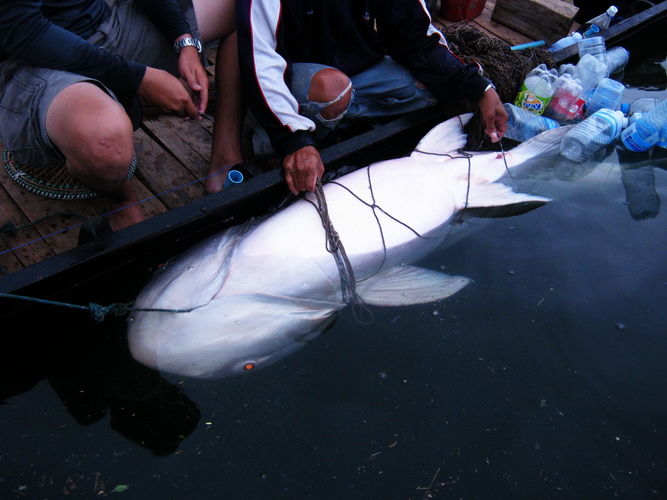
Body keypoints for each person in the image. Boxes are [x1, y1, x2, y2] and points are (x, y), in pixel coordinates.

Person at [0, 0, 244, 233]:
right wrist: (138, 79)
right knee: (106, 143)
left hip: (106, 26)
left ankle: (225, 152)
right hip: (35, 61)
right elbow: (24, 31)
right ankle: (121, 201)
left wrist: (184, 40)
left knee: (248, 8)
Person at [237, 0, 508, 196]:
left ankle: (339, 132)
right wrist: (292, 140)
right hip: (298, 89)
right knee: (333, 90)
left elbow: (416, 39)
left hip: (357, 75)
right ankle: (271, 146)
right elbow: (262, 63)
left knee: (426, 88)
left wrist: (481, 89)